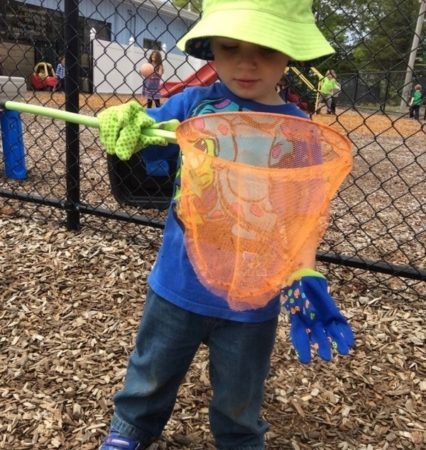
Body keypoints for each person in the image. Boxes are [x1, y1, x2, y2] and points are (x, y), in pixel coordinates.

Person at [97, 1, 354, 449]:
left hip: (254, 293)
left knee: (240, 392)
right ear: (211, 48)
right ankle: (131, 430)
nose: (246, 62)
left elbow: (303, 213)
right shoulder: (195, 103)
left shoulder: (298, 132)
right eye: (230, 47)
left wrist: (303, 270)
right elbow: (145, 140)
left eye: (266, 50)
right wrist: (131, 121)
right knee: (151, 370)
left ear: (289, 54)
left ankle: (238, 439)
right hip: (179, 279)